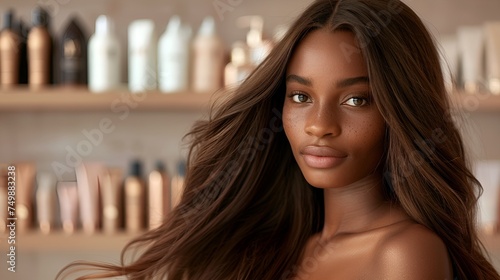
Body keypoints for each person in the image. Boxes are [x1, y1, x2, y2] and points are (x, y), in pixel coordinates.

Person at [59, 0, 500, 279]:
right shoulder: (283, 242)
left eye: (356, 100)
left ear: (400, 112)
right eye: (301, 96)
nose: (318, 125)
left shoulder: (404, 255)